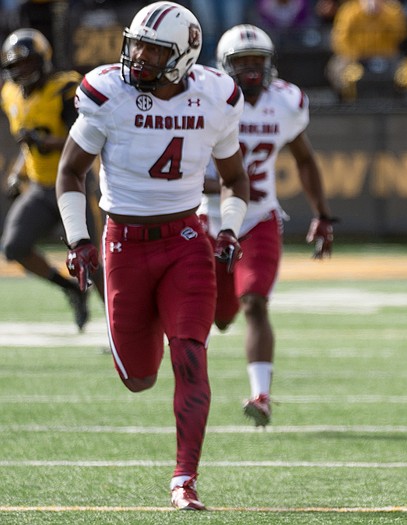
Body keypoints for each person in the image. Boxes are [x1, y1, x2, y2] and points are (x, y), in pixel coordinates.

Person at [55, 1, 249, 511]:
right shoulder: (109, 94)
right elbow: (70, 172)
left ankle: (185, 478)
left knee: (190, 354)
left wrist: (228, 230)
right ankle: (147, 337)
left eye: (152, 50)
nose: (137, 58)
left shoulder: (216, 96)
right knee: (139, 377)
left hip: (186, 240)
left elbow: (234, 178)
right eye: (135, 45)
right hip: (123, 243)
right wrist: (78, 239)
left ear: (184, 55)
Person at [200, 24, 334, 427]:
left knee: (255, 302)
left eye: (258, 61)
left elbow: (305, 158)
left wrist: (322, 214)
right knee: (219, 316)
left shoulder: (286, 102)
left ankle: (261, 396)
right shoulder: (205, 99)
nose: (252, 71)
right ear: (225, 67)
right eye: (242, 63)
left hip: (258, 217)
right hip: (208, 217)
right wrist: (223, 185)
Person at [0, 27, 104, 332]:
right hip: (41, 187)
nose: (22, 71)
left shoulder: (65, 88)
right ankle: (71, 289)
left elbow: (85, 137)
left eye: (28, 63)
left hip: (75, 185)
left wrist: (47, 143)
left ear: (44, 60)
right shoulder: (9, 95)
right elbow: (26, 142)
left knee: (93, 260)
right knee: (13, 247)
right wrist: (18, 172)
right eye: (16, 66)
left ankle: (119, 327)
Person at [326, 0, 407, 101]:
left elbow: (401, 34)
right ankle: (347, 104)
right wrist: (355, 55)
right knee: (340, 71)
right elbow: (339, 41)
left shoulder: (392, 10)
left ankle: (402, 103)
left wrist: (383, 14)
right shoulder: (349, 10)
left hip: (388, 57)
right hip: (355, 57)